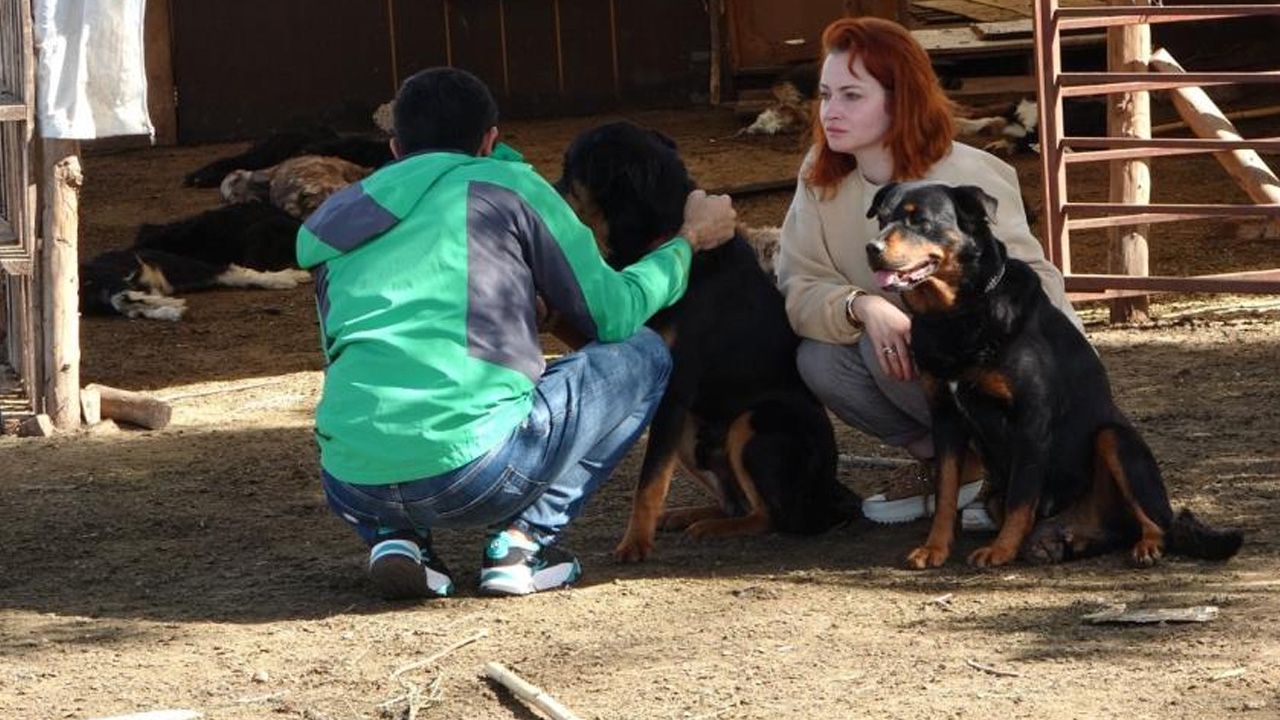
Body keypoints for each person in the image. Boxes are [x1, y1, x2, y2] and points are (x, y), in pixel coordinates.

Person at [296, 67, 737, 599]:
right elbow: (615, 314)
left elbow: (343, 349)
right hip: (476, 474)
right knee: (642, 351)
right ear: (490, 140)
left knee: (381, 399)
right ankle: (522, 544)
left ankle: (396, 539)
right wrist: (690, 239)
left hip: (351, 484)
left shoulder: (334, 218)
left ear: (394, 148)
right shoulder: (510, 185)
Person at [775, 17, 1084, 529]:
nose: (830, 111)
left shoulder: (969, 176)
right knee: (820, 358)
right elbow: (799, 285)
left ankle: (1024, 471)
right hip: (916, 363)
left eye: (852, 95)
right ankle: (949, 464)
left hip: (1012, 376)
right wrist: (863, 305)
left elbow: (1036, 285)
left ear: (902, 99)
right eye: (826, 95)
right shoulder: (820, 178)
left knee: (900, 344)